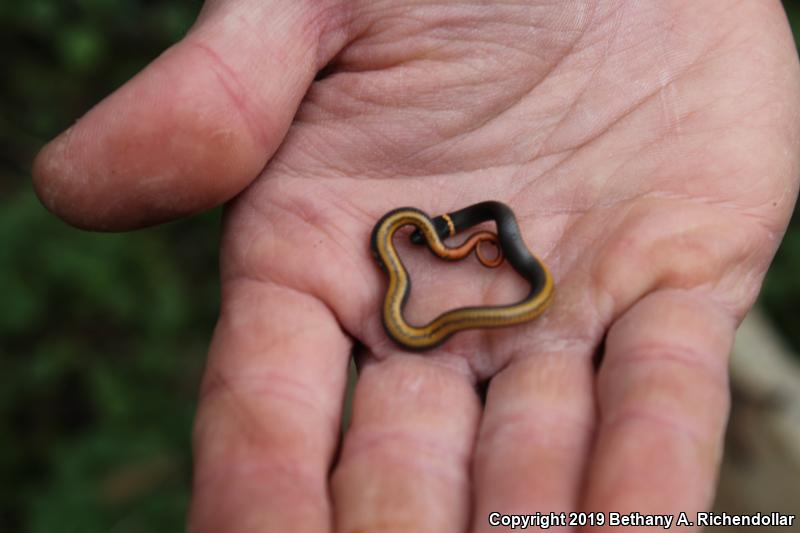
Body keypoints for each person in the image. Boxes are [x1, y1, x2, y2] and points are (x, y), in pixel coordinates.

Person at [32, 1, 800, 531]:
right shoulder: (414, 244)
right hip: (529, 254)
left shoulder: (450, 242)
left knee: (645, 355)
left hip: (617, 236)